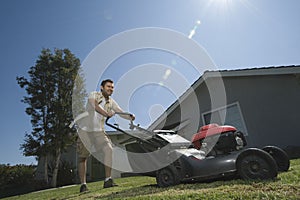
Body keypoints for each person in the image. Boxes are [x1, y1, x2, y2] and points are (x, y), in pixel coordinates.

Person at [76, 79, 135, 192]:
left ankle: (108, 180)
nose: (111, 89)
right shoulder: (94, 95)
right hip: (85, 130)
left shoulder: (111, 102)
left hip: (99, 130)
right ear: (102, 87)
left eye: (112, 87)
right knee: (83, 157)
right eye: (108, 86)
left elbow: (119, 111)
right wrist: (106, 113)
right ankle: (83, 185)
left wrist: (129, 116)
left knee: (109, 149)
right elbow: (93, 104)